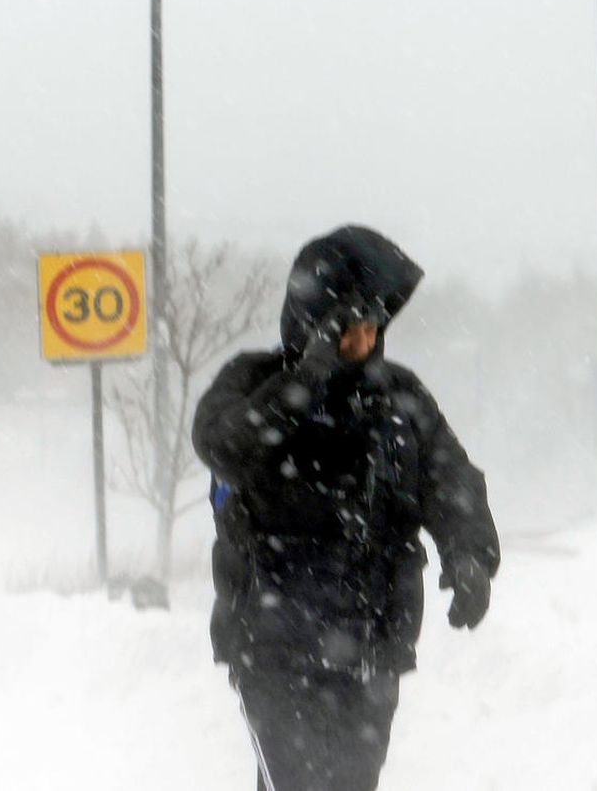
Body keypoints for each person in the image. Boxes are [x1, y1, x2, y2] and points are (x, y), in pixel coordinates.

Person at [192, 226, 499, 791]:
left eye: (371, 329)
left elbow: (453, 482)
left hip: (372, 647)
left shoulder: (399, 399)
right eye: (347, 331)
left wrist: (470, 557)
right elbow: (223, 445)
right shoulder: (253, 382)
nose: (363, 342)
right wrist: (306, 383)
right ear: (312, 326)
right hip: (272, 649)